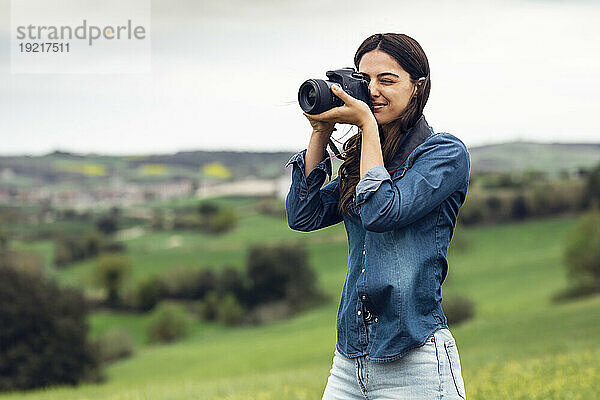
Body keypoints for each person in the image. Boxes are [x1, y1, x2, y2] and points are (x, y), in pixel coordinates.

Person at [285, 33, 470, 399]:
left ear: (418, 87)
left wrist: (367, 125)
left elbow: (380, 211)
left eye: (387, 80)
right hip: (349, 363)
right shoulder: (362, 159)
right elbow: (303, 215)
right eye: (364, 79)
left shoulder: (444, 154)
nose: (372, 91)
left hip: (415, 360)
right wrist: (321, 132)